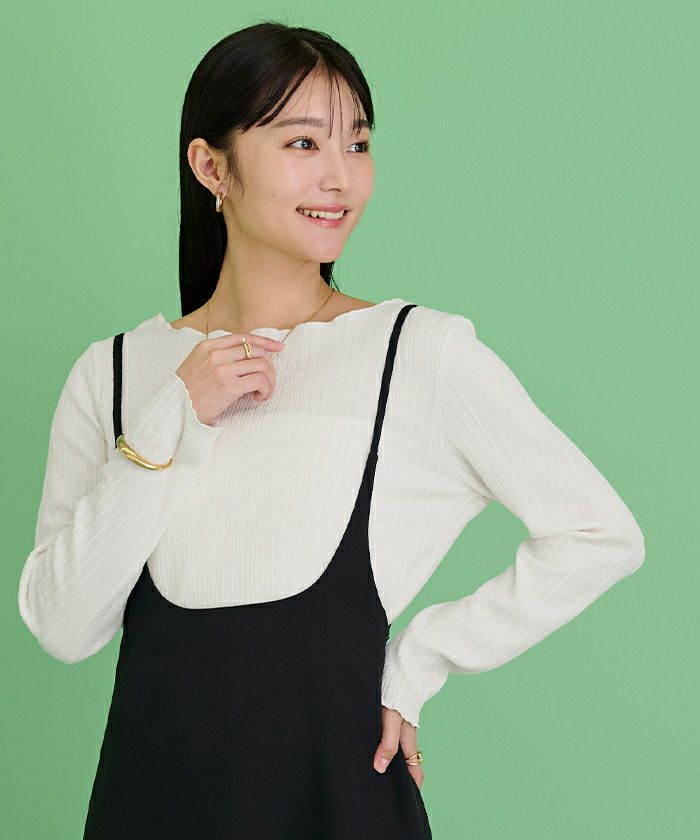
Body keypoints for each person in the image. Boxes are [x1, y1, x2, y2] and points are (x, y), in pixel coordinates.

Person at [17, 21, 645, 840]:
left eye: (357, 143)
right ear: (212, 168)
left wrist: (420, 657)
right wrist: (175, 413)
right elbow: (64, 626)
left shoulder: (415, 353)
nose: (340, 177)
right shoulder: (113, 373)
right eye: (303, 143)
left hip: (341, 810)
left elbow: (600, 534)